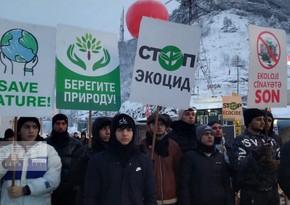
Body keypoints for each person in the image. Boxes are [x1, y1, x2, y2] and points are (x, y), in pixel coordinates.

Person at [84, 113, 157, 205]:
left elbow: (150, 195)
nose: (125, 134)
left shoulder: (143, 160)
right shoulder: (98, 160)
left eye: (129, 130)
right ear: (114, 132)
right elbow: (91, 195)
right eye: (120, 130)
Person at [0, 117, 61, 205]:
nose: (31, 130)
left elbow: (53, 180)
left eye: (35, 127)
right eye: (26, 127)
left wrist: (25, 190)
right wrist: (5, 164)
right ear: (19, 130)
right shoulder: (6, 150)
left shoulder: (49, 151)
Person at [232, 108, 280, 205]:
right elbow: (238, 165)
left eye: (263, 119)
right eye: (258, 119)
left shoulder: (271, 140)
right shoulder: (240, 141)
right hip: (252, 193)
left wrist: (277, 163)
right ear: (249, 122)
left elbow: (283, 160)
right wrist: (256, 154)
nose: (263, 122)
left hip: (272, 192)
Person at [179, 125, 232, 205]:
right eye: (206, 134)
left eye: (211, 134)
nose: (210, 136)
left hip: (219, 200)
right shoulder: (190, 157)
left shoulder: (219, 156)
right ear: (199, 137)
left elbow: (226, 183)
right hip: (198, 201)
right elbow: (184, 185)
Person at [142, 113, 181, 205]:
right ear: (148, 127)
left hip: (170, 198)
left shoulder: (173, 146)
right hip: (149, 199)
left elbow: (178, 170)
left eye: (162, 124)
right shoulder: (142, 146)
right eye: (155, 124)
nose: (159, 127)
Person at [71, 116, 112, 205]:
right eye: (104, 129)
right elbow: (74, 178)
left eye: (110, 128)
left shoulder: (116, 151)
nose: (108, 132)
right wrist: (84, 160)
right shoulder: (85, 151)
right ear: (96, 131)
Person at [47, 113, 82, 205]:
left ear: (66, 125)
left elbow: (79, 168)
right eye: (57, 124)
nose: (60, 127)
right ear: (53, 125)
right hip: (49, 189)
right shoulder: (45, 143)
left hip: (69, 190)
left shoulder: (76, 144)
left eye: (63, 124)